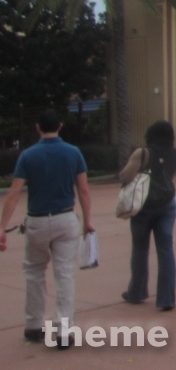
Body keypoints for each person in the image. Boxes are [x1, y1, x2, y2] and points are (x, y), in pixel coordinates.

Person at [0, 109, 93, 347]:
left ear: (37, 127)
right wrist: (87, 220)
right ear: (60, 126)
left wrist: (2, 227)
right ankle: (63, 331)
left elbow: (14, 193)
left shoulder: (28, 156)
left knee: (33, 272)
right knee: (64, 275)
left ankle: (34, 325)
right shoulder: (73, 153)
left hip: (37, 220)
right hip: (65, 219)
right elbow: (83, 190)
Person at [120, 120, 176, 311]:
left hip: (144, 206)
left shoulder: (143, 153)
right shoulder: (175, 153)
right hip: (167, 204)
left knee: (139, 249)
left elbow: (125, 176)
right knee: (165, 249)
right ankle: (166, 298)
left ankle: (136, 292)